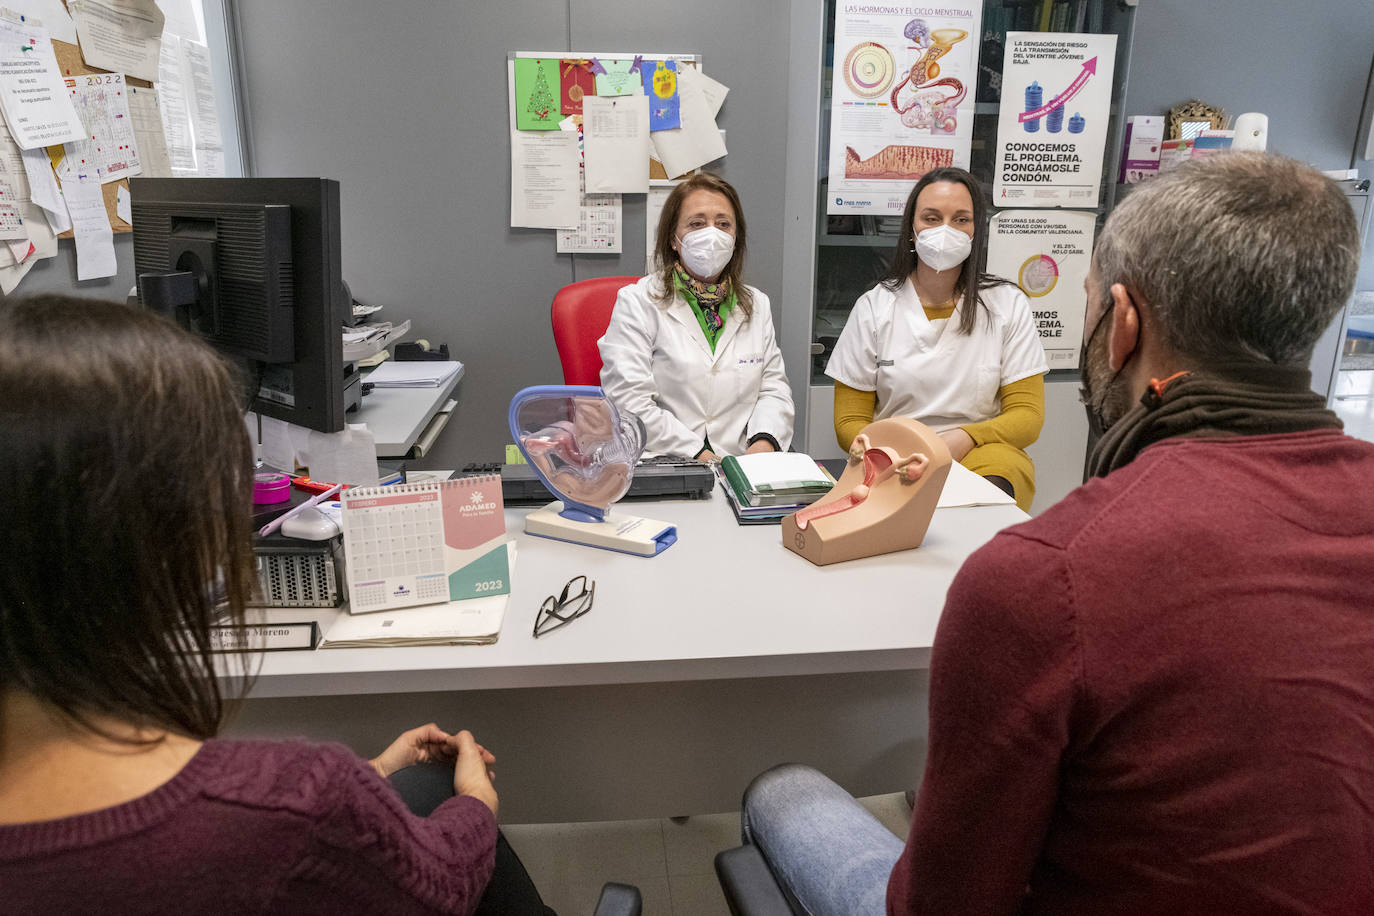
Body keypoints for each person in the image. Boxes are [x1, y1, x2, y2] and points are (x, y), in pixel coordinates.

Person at [736, 153, 1374, 914]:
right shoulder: (882, 310)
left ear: (1123, 323)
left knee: (781, 790)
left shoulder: (1043, 578)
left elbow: (943, 901)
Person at [0, 295, 552, 915]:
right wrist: (476, 804)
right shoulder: (295, 806)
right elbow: (443, 884)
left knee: (419, 781)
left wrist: (364, 781)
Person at [825, 167, 1047, 510]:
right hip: (893, 457)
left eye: (961, 219)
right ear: (911, 231)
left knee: (984, 510)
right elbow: (847, 421)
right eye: (932, 217)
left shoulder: (1006, 303)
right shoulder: (875, 306)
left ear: (975, 231)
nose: (946, 230)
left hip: (981, 453)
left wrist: (965, 438)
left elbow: (1027, 415)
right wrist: (890, 452)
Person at [599, 173, 794, 460]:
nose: (712, 234)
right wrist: (700, 454)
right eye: (697, 223)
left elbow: (773, 390)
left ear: (735, 238)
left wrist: (761, 447)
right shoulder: (638, 302)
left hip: (743, 462)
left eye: (723, 224)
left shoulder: (756, 305)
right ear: (673, 239)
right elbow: (630, 402)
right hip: (666, 460)